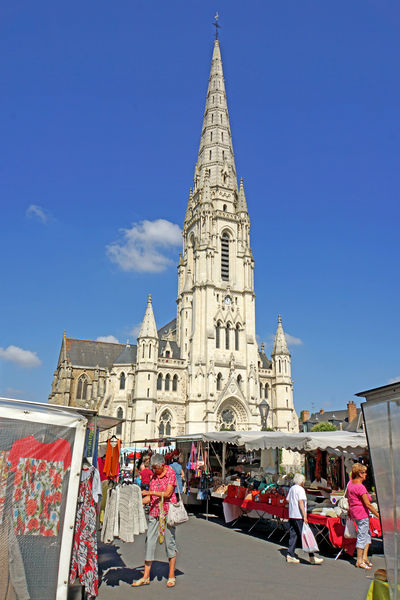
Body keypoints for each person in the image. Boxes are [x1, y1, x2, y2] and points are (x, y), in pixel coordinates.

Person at [132, 454, 178, 588]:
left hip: (167, 512)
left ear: (162, 465)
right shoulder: (154, 476)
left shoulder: (171, 473)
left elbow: (168, 493)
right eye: (152, 468)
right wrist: (138, 502)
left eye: (155, 468)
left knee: (169, 542)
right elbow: (150, 499)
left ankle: (171, 575)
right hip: (154, 511)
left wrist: (150, 493)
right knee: (149, 542)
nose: (154, 470)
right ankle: (145, 576)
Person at [346, 463, 379, 570]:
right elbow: (368, 504)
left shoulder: (350, 484)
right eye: (364, 473)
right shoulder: (360, 487)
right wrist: (377, 514)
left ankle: (364, 557)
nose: (366, 475)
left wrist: (350, 510)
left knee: (367, 534)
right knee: (362, 535)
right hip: (361, 513)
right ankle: (359, 560)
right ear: (360, 474)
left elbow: (348, 497)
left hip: (355, 512)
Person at [286, 473, 324, 564]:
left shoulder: (292, 488)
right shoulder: (301, 490)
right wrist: (305, 516)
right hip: (299, 515)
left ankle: (290, 554)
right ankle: (312, 557)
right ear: (302, 482)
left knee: (294, 534)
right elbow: (301, 503)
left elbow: (288, 500)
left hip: (292, 514)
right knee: (306, 535)